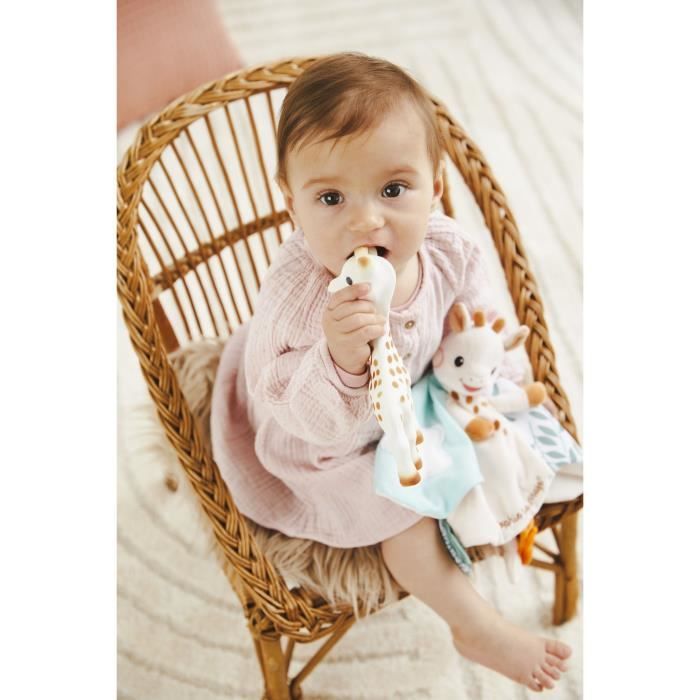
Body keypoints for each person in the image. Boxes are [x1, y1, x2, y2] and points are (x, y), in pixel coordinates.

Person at [210, 52, 571, 692]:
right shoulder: (296, 294)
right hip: (323, 442)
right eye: (330, 198)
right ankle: (471, 623)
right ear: (292, 204)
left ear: (435, 184)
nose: (365, 220)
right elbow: (288, 403)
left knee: (510, 451)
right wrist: (339, 358)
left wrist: (496, 375)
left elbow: (482, 320)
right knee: (404, 514)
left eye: (394, 189)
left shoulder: (447, 247)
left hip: (419, 403)